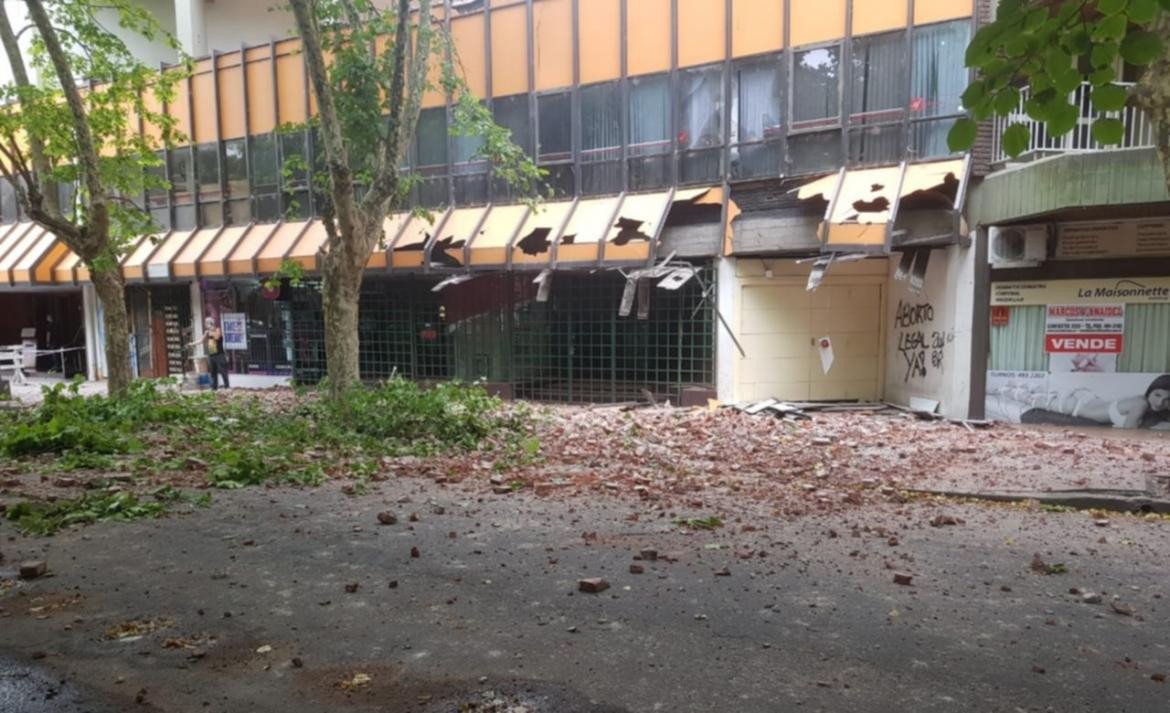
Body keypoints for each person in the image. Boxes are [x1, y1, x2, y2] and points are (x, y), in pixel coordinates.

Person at [189, 316, 229, 391]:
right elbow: (201, 340)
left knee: (223, 371)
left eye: (207, 323)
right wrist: (192, 344)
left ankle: (227, 387)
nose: (205, 325)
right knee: (213, 372)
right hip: (211, 354)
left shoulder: (217, 329)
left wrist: (211, 330)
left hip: (219, 354)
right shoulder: (207, 332)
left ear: (211, 323)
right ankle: (214, 387)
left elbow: (217, 337)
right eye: (205, 323)